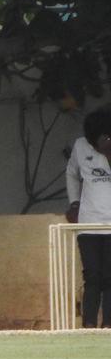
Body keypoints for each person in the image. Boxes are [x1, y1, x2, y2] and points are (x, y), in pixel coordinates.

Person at [65, 108, 111, 328]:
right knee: (92, 278)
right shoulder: (80, 145)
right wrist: (74, 202)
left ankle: (109, 327)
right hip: (88, 223)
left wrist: (108, 153)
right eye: (93, 141)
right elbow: (72, 173)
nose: (95, 145)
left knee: (110, 279)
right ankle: (89, 327)